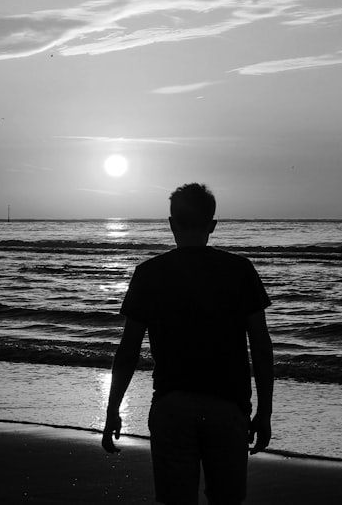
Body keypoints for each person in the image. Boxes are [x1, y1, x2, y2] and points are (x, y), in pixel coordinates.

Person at [101, 183, 274, 505]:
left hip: (172, 405)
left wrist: (112, 410)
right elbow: (262, 348)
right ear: (212, 225)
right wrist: (264, 412)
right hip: (228, 406)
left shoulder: (149, 273)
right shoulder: (240, 270)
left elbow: (128, 351)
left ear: (171, 224)